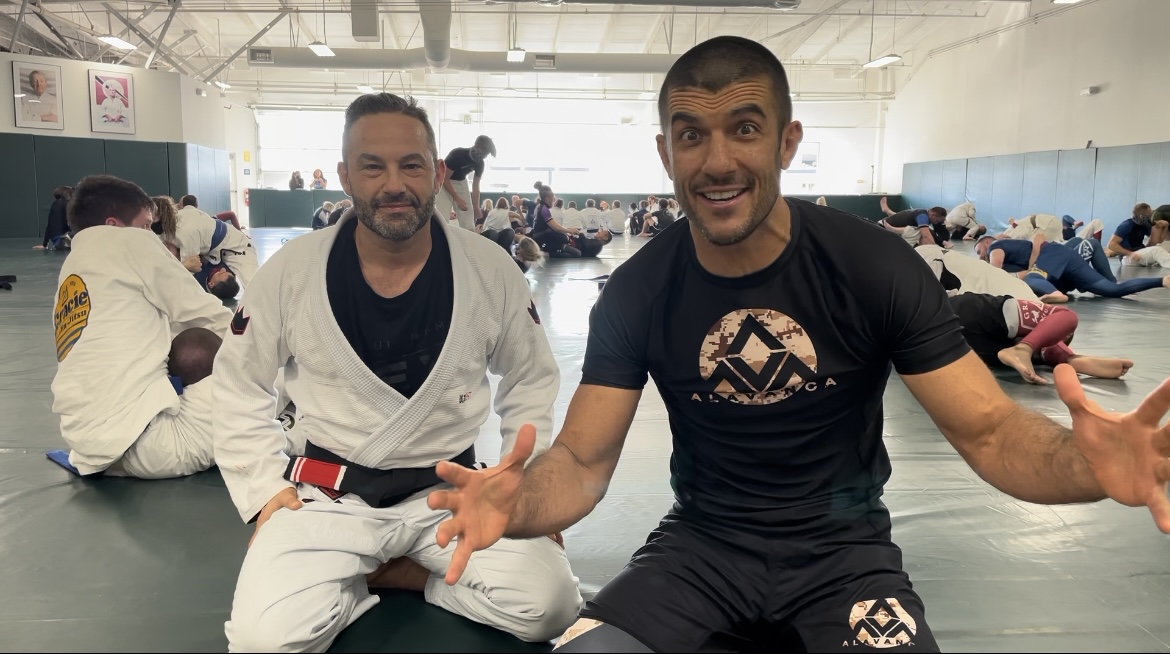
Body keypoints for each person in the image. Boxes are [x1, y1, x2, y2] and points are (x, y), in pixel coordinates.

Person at [425, 36, 1170, 653]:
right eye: (692, 135)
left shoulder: (873, 267)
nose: (716, 161)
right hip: (700, 549)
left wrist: (1085, 463)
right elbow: (583, 462)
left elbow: (991, 428)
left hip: (844, 555)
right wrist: (521, 502)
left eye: (744, 129)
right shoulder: (639, 291)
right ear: (665, 152)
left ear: (787, 141)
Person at [212, 93, 582, 652]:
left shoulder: (489, 269)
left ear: (436, 172)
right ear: (344, 176)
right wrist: (262, 488)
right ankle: (375, 568)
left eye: (411, 164)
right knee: (263, 642)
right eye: (372, 166)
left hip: (451, 492)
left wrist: (520, 483)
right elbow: (238, 379)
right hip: (328, 495)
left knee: (550, 606)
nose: (394, 183)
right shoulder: (292, 271)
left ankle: (393, 575)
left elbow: (530, 378)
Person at [48, 175, 233, 479]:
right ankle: (295, 424)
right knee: (233, 359)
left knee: (188, 344)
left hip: (91, 453)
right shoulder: (129, 242)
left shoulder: (72, 268)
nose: (152, 235)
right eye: (146, 225)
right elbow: (208, 315)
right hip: (156, 447)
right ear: (112, 225)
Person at [949, 293, 1133, 385]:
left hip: (962, 337)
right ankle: (1027, 350)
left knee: (1050, 333)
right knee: (1067, 318)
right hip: (974, 318)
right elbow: (1063, 319)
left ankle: (1064, 358)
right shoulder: (1023, 300)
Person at [978, 235, 1169, 302]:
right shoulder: (1015, 253)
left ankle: (1057, 294)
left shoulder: (996, 246)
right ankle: (1162, 281)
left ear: (987, 242)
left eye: (979, 251)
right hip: (1062, 262)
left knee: (1032, 279)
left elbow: (994, 269)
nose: (980, 256)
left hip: (1052, 255)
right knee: (1112, 291)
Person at [174, 195, 259, 294]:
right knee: (254, 286)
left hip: (233, 246)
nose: (222, 270)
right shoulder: (200, 222)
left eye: (221, 273)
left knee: (253, 285)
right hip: (230, 247)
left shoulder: (203, 221)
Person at [436, 135, 496, 231]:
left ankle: (469, 241)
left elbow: (476, 186)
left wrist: (476, 207)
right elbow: (445, 178)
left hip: (461, 182)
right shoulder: (457, 155)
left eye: (486, 155)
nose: (484, 156)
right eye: (484, 152)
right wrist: (456, 198)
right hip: (444, 181)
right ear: (476, 145)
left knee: (468, 220)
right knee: (442, 217)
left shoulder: (480, 163)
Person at [1105, 203, 1170, 267]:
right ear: (1142, 216)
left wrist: (1165, 227)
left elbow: (1156, 242)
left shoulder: (1145, 225)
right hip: (1128, 257)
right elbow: (1111, 244)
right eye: (1150, 213)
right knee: (1156, 251)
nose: (1152, 214)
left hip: (1139, 253)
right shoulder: (1126, 225)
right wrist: (1130, 254)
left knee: (1158, 248)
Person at [530, 182, 582, 258]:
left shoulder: (540, 207)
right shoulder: (544, 209)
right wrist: (569, 231)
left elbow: (554, 227)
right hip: (541, 236)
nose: (554, 199)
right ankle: (553, 250)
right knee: (563, 238)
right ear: (548, 198)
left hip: (540, 235)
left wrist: (569, 230)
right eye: (553, 197)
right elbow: (556, 227)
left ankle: (552, 249)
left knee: (562, 236)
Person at [880, 206, 948, 247]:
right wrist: (935, 249)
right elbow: (926, 235)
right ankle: (892, 228)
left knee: (923, 230)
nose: (937, 223)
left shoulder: (923, 213)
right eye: (937, 221)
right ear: (933, 215)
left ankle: (888, 212)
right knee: (917, 232)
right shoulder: (922, 216)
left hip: (887, 225)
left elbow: (929, 231)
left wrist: (942, 242)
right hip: (883, 228)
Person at [34, 186, 73, 250]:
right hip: (64, 238)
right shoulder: (68, 204)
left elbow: (49, 225)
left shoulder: (55, 204)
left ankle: (61, 243)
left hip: (56, 239)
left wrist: (45, 244)